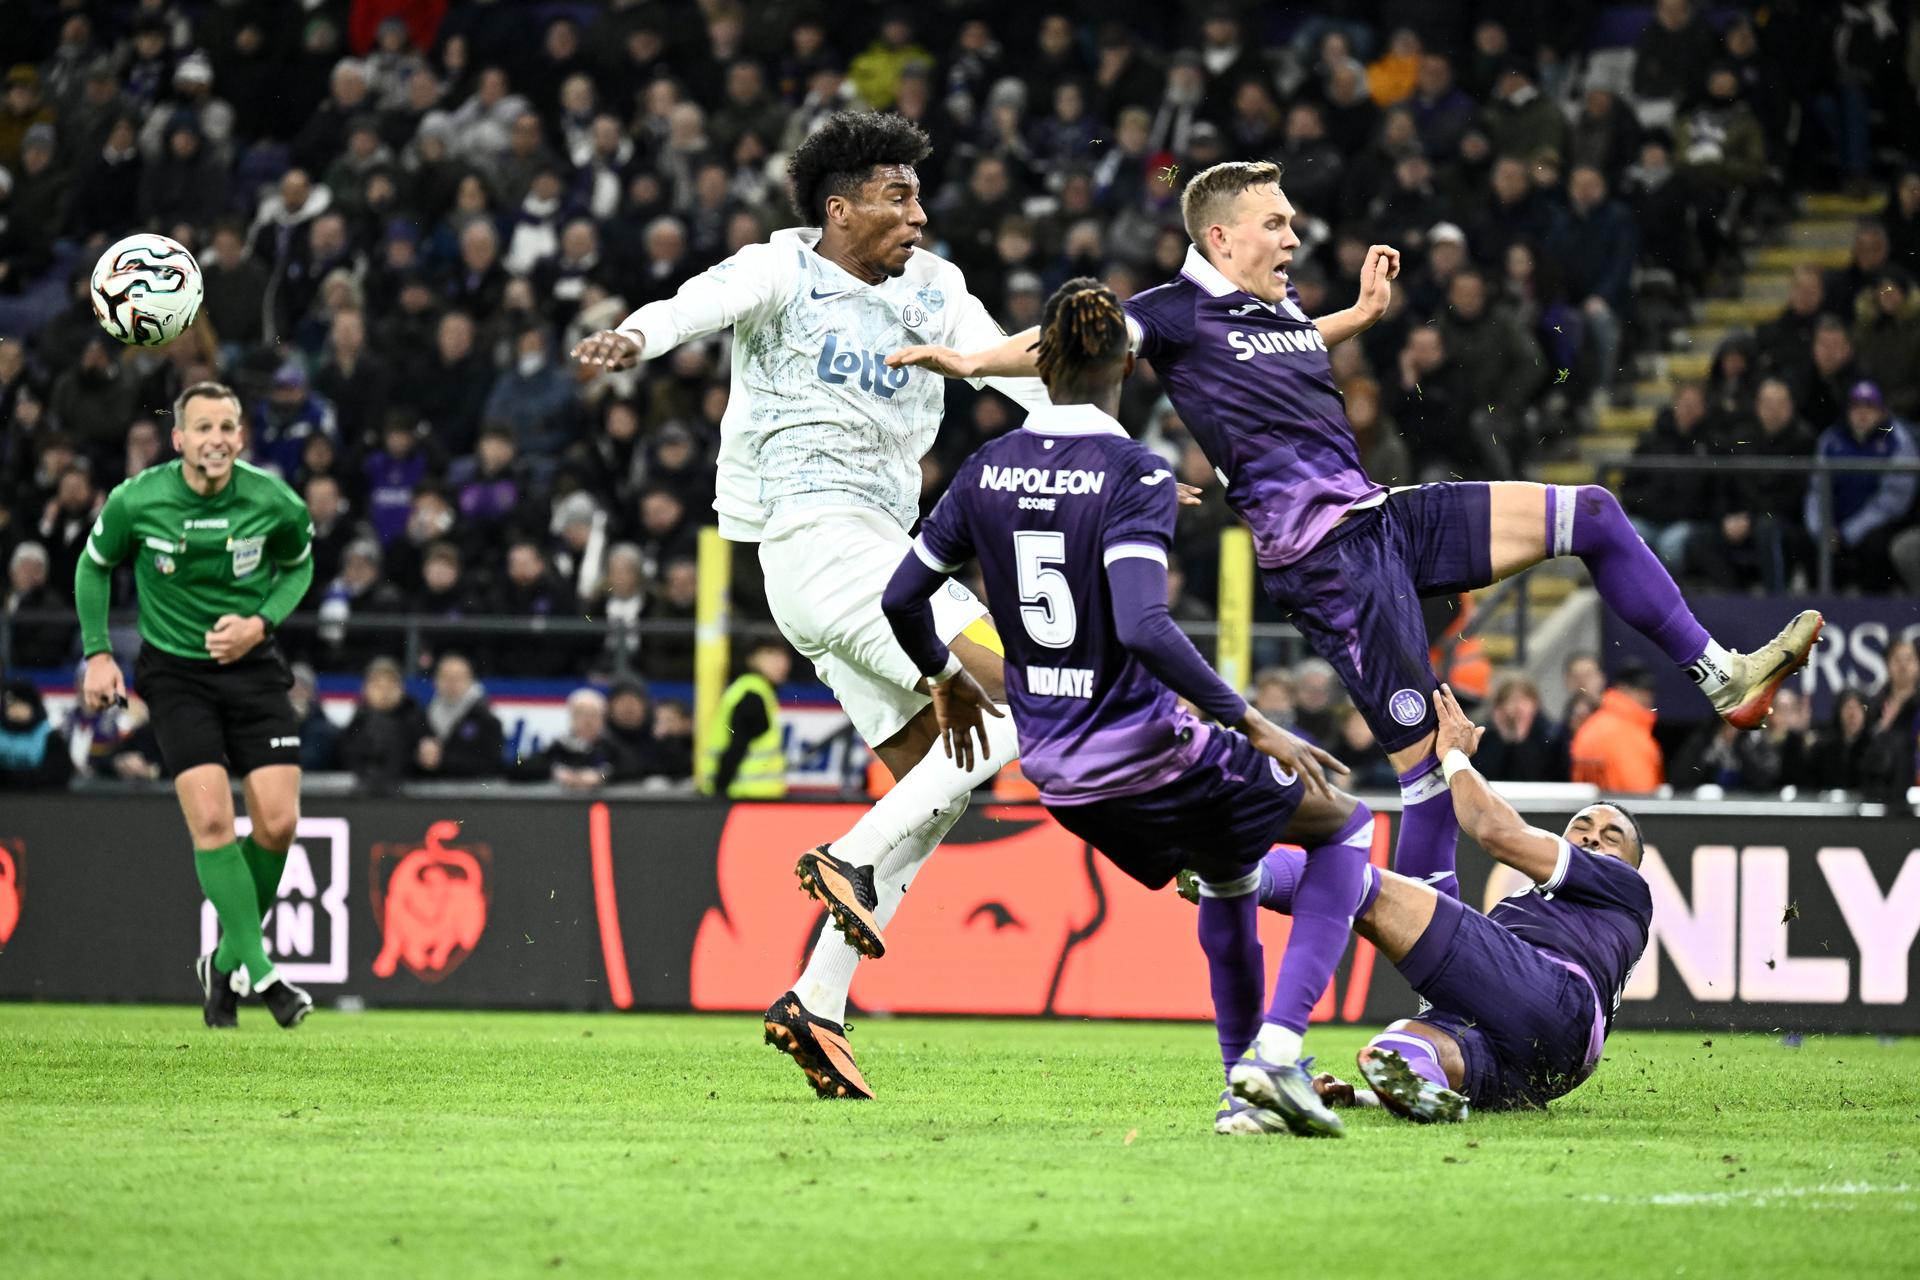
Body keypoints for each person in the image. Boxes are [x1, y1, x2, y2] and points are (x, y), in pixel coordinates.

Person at [894, 158, 1819, 907]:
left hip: (1382, 516)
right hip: (1326, 561)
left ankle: (1721, 677)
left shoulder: (1278, 313)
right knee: (1431, 771)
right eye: (1276, 223)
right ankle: (1438, 993)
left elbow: (1284, 351)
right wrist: (972, 362)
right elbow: (1073, 343)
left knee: (1595, 515)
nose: (1295, 238)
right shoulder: (1173, 314)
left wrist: (1361, 317)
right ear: (1221, 237)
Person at [570, 112, 1054, 1101]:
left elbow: (1015, 370)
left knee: (947, 770)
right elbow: (697, 303)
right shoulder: (781, 269)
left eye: (918, 195)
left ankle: (816, 999)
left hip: (872, 553)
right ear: (839, 209)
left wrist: (1111, 446)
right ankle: (849, 855)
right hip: (817, 538)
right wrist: (636, 336)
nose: (918, 214)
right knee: (1026, 695)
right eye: (896, 195)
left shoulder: (936, 289)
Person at [882, 278, 1367, 1138]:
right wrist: (1251, 719)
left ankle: (1244, 1098)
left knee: (1230, 872)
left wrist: (943, 677)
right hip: (1149, 750)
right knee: (1345, 825)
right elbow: (1144, 625)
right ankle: (1278, 1050)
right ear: (1129, 365)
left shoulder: (986, 468)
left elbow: (901, 598)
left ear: (1043, 363)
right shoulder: (1137, 470)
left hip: (1058, 777)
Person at [1225, 686, 1652, 1121]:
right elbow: (1428, 897)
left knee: (1362, 883)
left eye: (1611, 837)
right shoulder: (1527, 907)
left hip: (1560, 1003)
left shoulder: (1626, 887)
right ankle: (1428, 1096)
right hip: (1543, 1069)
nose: (1592, 837)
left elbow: (1495, 831)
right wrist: (1358, 1098)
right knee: (1397, 1047)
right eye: (1582, 826)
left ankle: (1239, 873)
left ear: (1633, 865)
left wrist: (1454, 757)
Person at [74, 382, 317, 1030]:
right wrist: (98, 653)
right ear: (178, 438)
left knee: (278, 825)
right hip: (176, 675)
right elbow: (93, 566)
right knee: (212, 823)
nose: (216, 439)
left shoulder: (274, 501)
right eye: (203, 427)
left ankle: (224, 961)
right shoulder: (137, 500)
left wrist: (259, 624)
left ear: (241, 437)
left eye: (227, 427)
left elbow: (299, 566)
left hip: (253, 669)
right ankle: (262, 973)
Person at [702, 638, 789, 799]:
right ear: (751, 659)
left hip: (749, 796)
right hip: (743, 797)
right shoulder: (752, 695)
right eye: (770, 654)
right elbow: (737, 746)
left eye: (783, 656)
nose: (781, 662)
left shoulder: (754, 690)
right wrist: (718, 792)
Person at [1569, 663, 1664, 795]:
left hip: (1591, 807)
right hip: (1619, 807)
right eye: (1643, 692)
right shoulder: (1628, 736)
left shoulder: (1592, 726)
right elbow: (1641, 798)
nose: (1648, 698)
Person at [414, 651, 504, 780]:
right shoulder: (422, 717)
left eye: (458, 678)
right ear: (435, 680)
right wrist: (420, 758)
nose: (452, 683)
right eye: (446, 677)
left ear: (470, 680)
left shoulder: (486, 719)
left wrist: (442, 759)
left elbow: (492, 765)